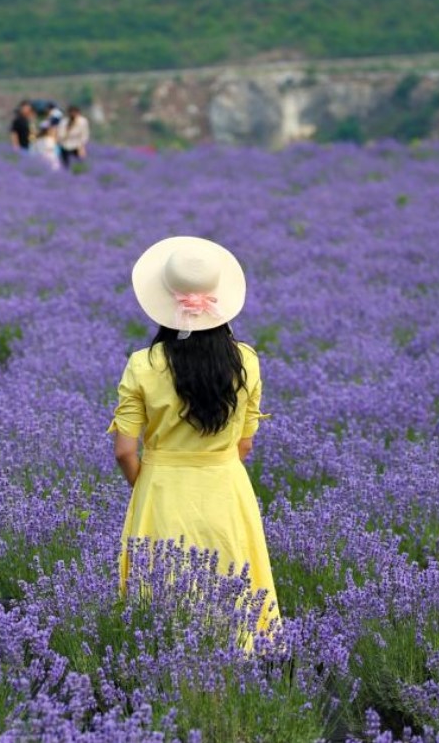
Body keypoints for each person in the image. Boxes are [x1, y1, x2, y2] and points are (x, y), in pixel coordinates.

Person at [108, 236, 279, 636]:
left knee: (162, 602)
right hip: (226, 490)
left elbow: (124, 451)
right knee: (235, 595)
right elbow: (244, 444)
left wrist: (147, 482)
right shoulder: (247, 362)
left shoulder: (143, 365)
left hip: (163, 493)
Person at [58, 104, 90, 168]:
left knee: (79, 165)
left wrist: (81, 146)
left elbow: (85, 135)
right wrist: (68, 129)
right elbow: (60, 135)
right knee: (66, 165)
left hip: (77, 146)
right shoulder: (64, 122)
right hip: (65, 146)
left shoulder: (82, 121)